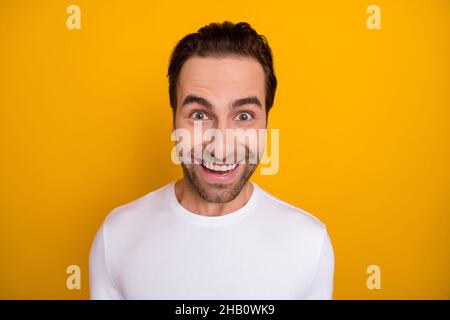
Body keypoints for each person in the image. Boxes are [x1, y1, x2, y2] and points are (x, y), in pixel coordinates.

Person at [89, 21, 334, 300]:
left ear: (266, 123)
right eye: (199, 115)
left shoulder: (309, 244)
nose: (221, 148)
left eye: (243, 116)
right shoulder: (117, 237)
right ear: (173, 120)